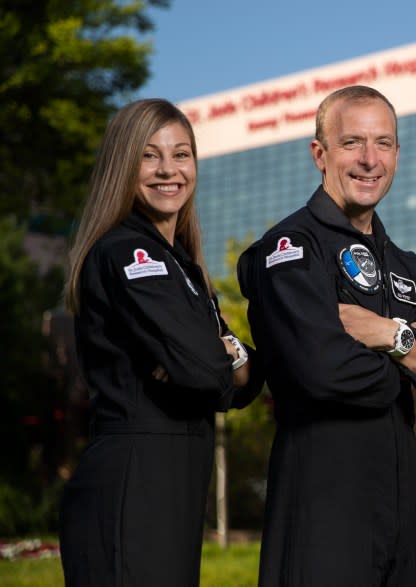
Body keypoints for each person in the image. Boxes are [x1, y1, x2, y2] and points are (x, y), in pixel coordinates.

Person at [237, 85, 416, 587]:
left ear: (397, 154)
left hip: (398, 510)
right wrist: (411, 363)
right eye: (352, 143)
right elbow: (320, 370)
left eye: (383, 143)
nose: (369, 160)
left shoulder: (408, 268)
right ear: (319, 154)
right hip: (322, 504)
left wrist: (389, 336)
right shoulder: (290, 248)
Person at [59, 98, 263, 586]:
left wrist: (220, 354)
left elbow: (245, 379)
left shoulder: (184, 265)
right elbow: (204, 369)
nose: (168, 170)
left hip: (172, 482)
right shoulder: (127, 252)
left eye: (181, 154)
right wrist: (216, 356)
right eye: (149, 156)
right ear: (123, 165)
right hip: (133, 482)